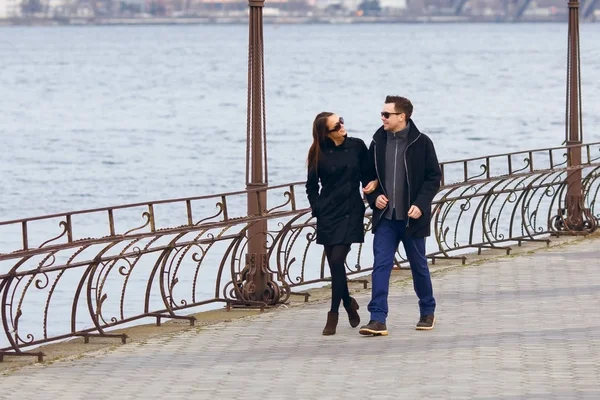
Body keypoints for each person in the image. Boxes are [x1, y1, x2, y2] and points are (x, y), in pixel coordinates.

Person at [359, 96, 442, 336]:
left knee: (419, 266)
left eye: (387, 114)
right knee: (380, 266)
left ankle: (427, 312)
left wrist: (421, 204)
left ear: (402, 117)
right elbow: (368, 177)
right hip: (385, 218)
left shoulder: (422, 142)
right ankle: (377, 318)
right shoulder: (377, 143)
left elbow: (433, 177)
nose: (382, 118)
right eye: (382, 114)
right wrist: (374, 199)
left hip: (411, 218)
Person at [305, 112, 378, 336]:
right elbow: (311, 187)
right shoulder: (318, 152)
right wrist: (317, 208)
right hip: (328, 214)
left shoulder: (357, 146)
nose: (342, 127)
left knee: (337, 260)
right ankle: (348, 302)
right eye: (336, 126)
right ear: (326, 132)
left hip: (351, 211)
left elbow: (369, 174)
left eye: (342, 121)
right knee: (335, 266)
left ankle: (333, 314)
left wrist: (372, 184)